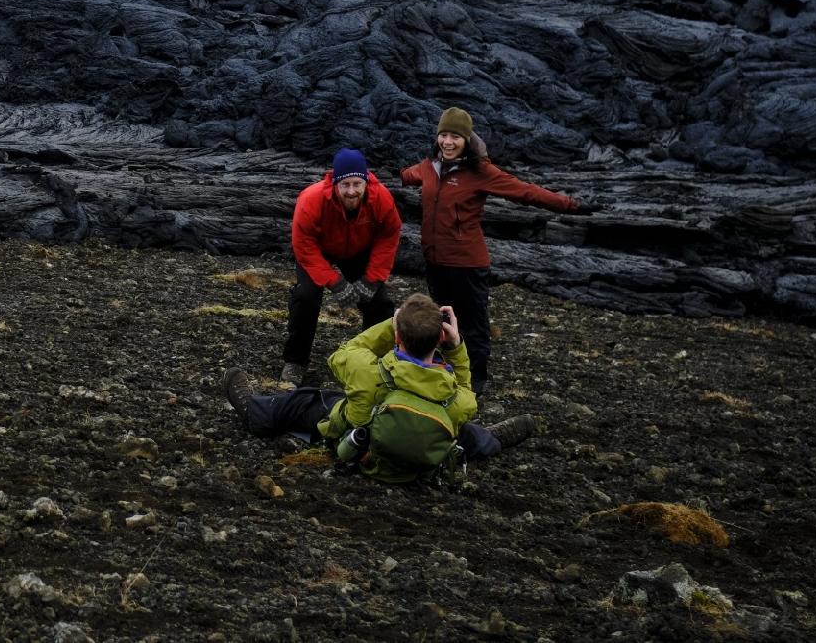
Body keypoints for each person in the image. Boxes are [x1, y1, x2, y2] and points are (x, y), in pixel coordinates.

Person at [223, 292, 534, 481]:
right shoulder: (454, 395)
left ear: (398, 335)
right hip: (425, 445)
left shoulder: (368, 373)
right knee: (463, 429)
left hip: (359, 445)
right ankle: (491, 439)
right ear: (441, 338)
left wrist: (390, 324)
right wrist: (456, 347)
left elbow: (341, 355)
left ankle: (256, 411)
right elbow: (467, 393)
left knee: (305, 401)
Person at [399, 107, 588, 393]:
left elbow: (525, 191)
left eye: (455, 137)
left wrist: (570, 204)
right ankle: (448, 367)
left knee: (473, 323)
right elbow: (409, 175)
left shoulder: (480, 171)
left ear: (467, 140)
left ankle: (476, 378)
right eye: (443, 135)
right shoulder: (430, 166)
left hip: (467, 262)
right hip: (435, 261)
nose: (448, 142)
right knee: (443, 319)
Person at [279, 148, 402, 385]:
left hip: (358, 248)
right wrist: (335, 283)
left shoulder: (382, 198)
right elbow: (303, 245)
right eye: (345, 184)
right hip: (319, 249)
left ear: (366, 181)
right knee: (305, 297)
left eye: (357, 183)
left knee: (379, 303)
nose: (352, 191)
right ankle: (295, 361)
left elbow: (389, 236)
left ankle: (375, 360)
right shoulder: (311, 199)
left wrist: (373, 278)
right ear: (334, 183)